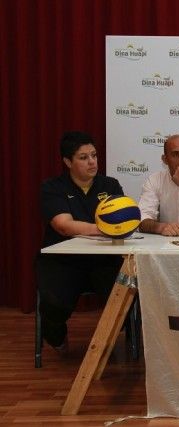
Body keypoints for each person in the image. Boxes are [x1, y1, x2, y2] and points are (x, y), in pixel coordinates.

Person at [38, 131, 124, 353]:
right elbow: (64, 226)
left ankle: (126, 340)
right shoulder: (53, 187)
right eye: (83, 157)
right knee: (53, 304)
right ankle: (57, 338)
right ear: (68, 162)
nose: (92, 162)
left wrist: (117, 227)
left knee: (128, 296)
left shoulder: (110, 185)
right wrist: (105, 229)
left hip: (104, 261)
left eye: (94, 155)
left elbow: (124, 221)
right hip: (64, 262)